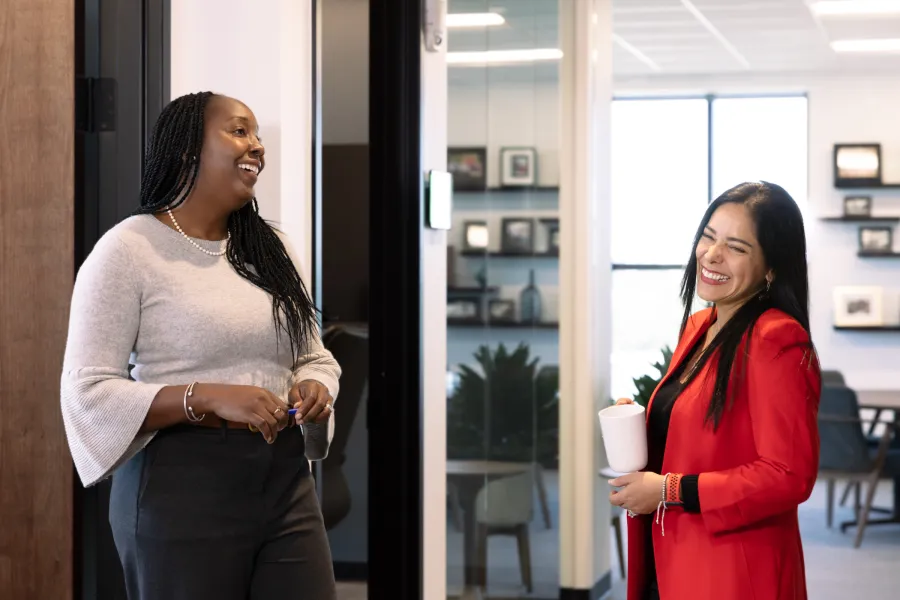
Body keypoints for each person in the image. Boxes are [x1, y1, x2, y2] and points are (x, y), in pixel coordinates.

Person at [60, 91, 342, 600]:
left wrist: (315, 383)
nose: (255, 145)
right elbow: (87, 391)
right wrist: (206, 395)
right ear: (189, 150)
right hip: (179, 484)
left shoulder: (270, 249)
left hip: (283, 479)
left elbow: (313, 354)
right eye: (239, 131)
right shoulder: (128, 249)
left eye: (257, 135)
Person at [608, 181, 821, 600]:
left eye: (737, 247)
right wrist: (644, 428)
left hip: (730, 571)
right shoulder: (700, 327)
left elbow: (789, 475)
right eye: (708, 236)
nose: (712, 254)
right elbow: (703, 433)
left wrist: (670, 490)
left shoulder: (775, 339)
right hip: (670, 555)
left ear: (771, 267)